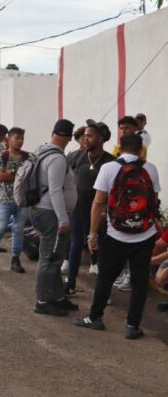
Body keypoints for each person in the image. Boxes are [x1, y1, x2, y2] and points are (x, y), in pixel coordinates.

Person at [75, 134, 160, 339]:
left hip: (115, 234)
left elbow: (97, 203)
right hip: (144, 234)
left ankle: (95, 318)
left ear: (119, 148)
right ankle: (132, 326)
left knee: (105, 277)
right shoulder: (150, 169)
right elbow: (153, 201)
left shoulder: (108, 168)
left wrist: (93, 233)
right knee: (139, 282)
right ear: (141, 150)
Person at [31, 119, 78, 317]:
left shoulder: (41, 150)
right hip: (51, 213)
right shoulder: (57, 158)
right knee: (49, 258)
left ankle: (57, 296)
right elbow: (55, 190)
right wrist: (63, 219)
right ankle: (42, 301)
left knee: (55, 256)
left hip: (41, 210)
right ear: (68, 137)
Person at [65, 121, 115, 295]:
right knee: (75, 246)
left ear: (100, 138)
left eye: (90, 135)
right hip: (78, 210)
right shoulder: (76, 157)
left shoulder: (110, 162)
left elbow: (114, 190)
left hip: (101, 214)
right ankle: (70, 284)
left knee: (101, 252)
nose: (85, 139)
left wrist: (106, 212)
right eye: (84, 135)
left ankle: (103, 293)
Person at [0, 127, 29, 274]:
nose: (20, 141)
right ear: (9, 138)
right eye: (17, 138)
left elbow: (29, 176)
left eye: (22, 138)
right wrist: (19, 175)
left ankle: (15, 259)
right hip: (4, 199)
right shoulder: (2, 156)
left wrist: (10, 174)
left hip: (22, 200)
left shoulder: (27, 157)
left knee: (18, 230)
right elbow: (0, 177)